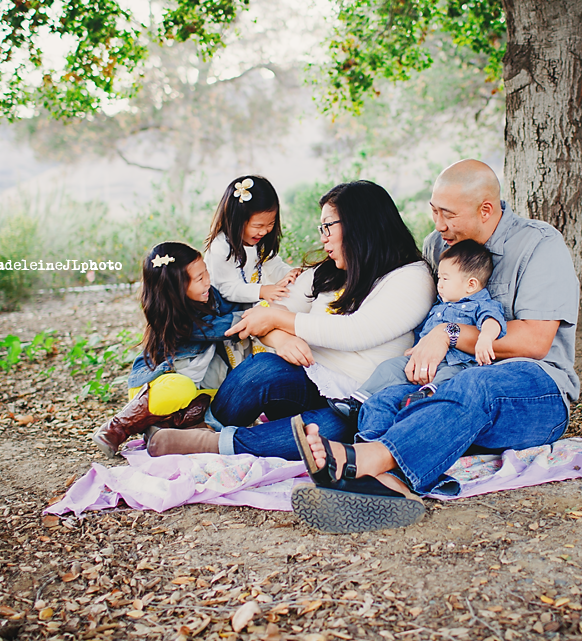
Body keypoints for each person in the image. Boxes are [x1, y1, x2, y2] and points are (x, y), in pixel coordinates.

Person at [293, 160, 580, 534]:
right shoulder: (437, 245)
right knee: (388, 397)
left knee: (476, 384)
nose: (439, 224)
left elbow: (534, 341)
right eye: (433, 211)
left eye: (448, 214)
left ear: (486, 210)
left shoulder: (538, 245)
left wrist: (449, 333)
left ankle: (364, 458)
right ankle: (386, 485)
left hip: (533, 393)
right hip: (449, 388)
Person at [144, 180, 436, 459]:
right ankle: (204, 426)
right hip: (306, 379)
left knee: (326, 432)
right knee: (263, 368)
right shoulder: (331, 271)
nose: (323, 236)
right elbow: (266, 315)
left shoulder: (411, 276)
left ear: (360, 225)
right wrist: (280, 336)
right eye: (321, 227)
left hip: (358, 400)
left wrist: (276, 319)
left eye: (328, 226)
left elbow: (357, 331)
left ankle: (213, 443)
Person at [90, 241, 247, 457]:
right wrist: (258, 315)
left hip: (197, 388)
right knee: (181, 388)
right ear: (176, 288)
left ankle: (161, 426)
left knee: (222, 397)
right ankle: (119, 426)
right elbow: (223, 327)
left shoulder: (211, 297)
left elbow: (237, 304)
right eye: (200, 278)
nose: (208, 282)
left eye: (206, 273)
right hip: (158, 386)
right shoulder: (177, 321)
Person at [336, 238, 506, 419]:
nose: (439, 284)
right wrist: (416, 348)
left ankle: (425, 398)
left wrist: (485, 338)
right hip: (423, 360)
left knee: (452, 379)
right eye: (439, 278)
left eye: (445, 279)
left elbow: (492, 320)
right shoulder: (439, 306)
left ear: (471, 284)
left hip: (457, 362)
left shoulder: (480, 304)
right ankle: (358, 401)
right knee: (389, 368)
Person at [204, 174, 300, 304]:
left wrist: (291, 274)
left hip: (247, 308)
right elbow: (228, 289)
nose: (264, 231)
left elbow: (274, 267)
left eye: (270, 224)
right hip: (223, 312)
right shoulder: (220, 248)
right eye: (258, 226)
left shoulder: (258, 244)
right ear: (236, 221)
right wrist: (262, 291)